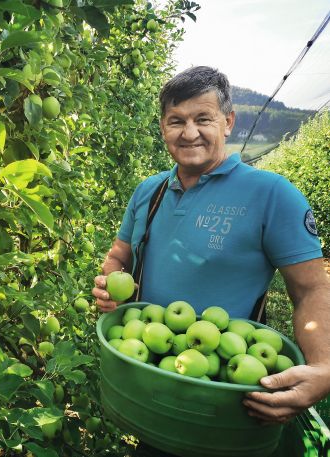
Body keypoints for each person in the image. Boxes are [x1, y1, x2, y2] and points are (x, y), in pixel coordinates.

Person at [92, 66, 330, 432]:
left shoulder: (271, 194)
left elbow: (311, 287)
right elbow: (119, 255)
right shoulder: (147, 191)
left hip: (224, 394)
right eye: (176, 121)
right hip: (148, 377)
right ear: (162, 128)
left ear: (228, 121)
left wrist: (323, 366)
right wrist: (110, 283)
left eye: (203, 118)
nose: (189, 133)